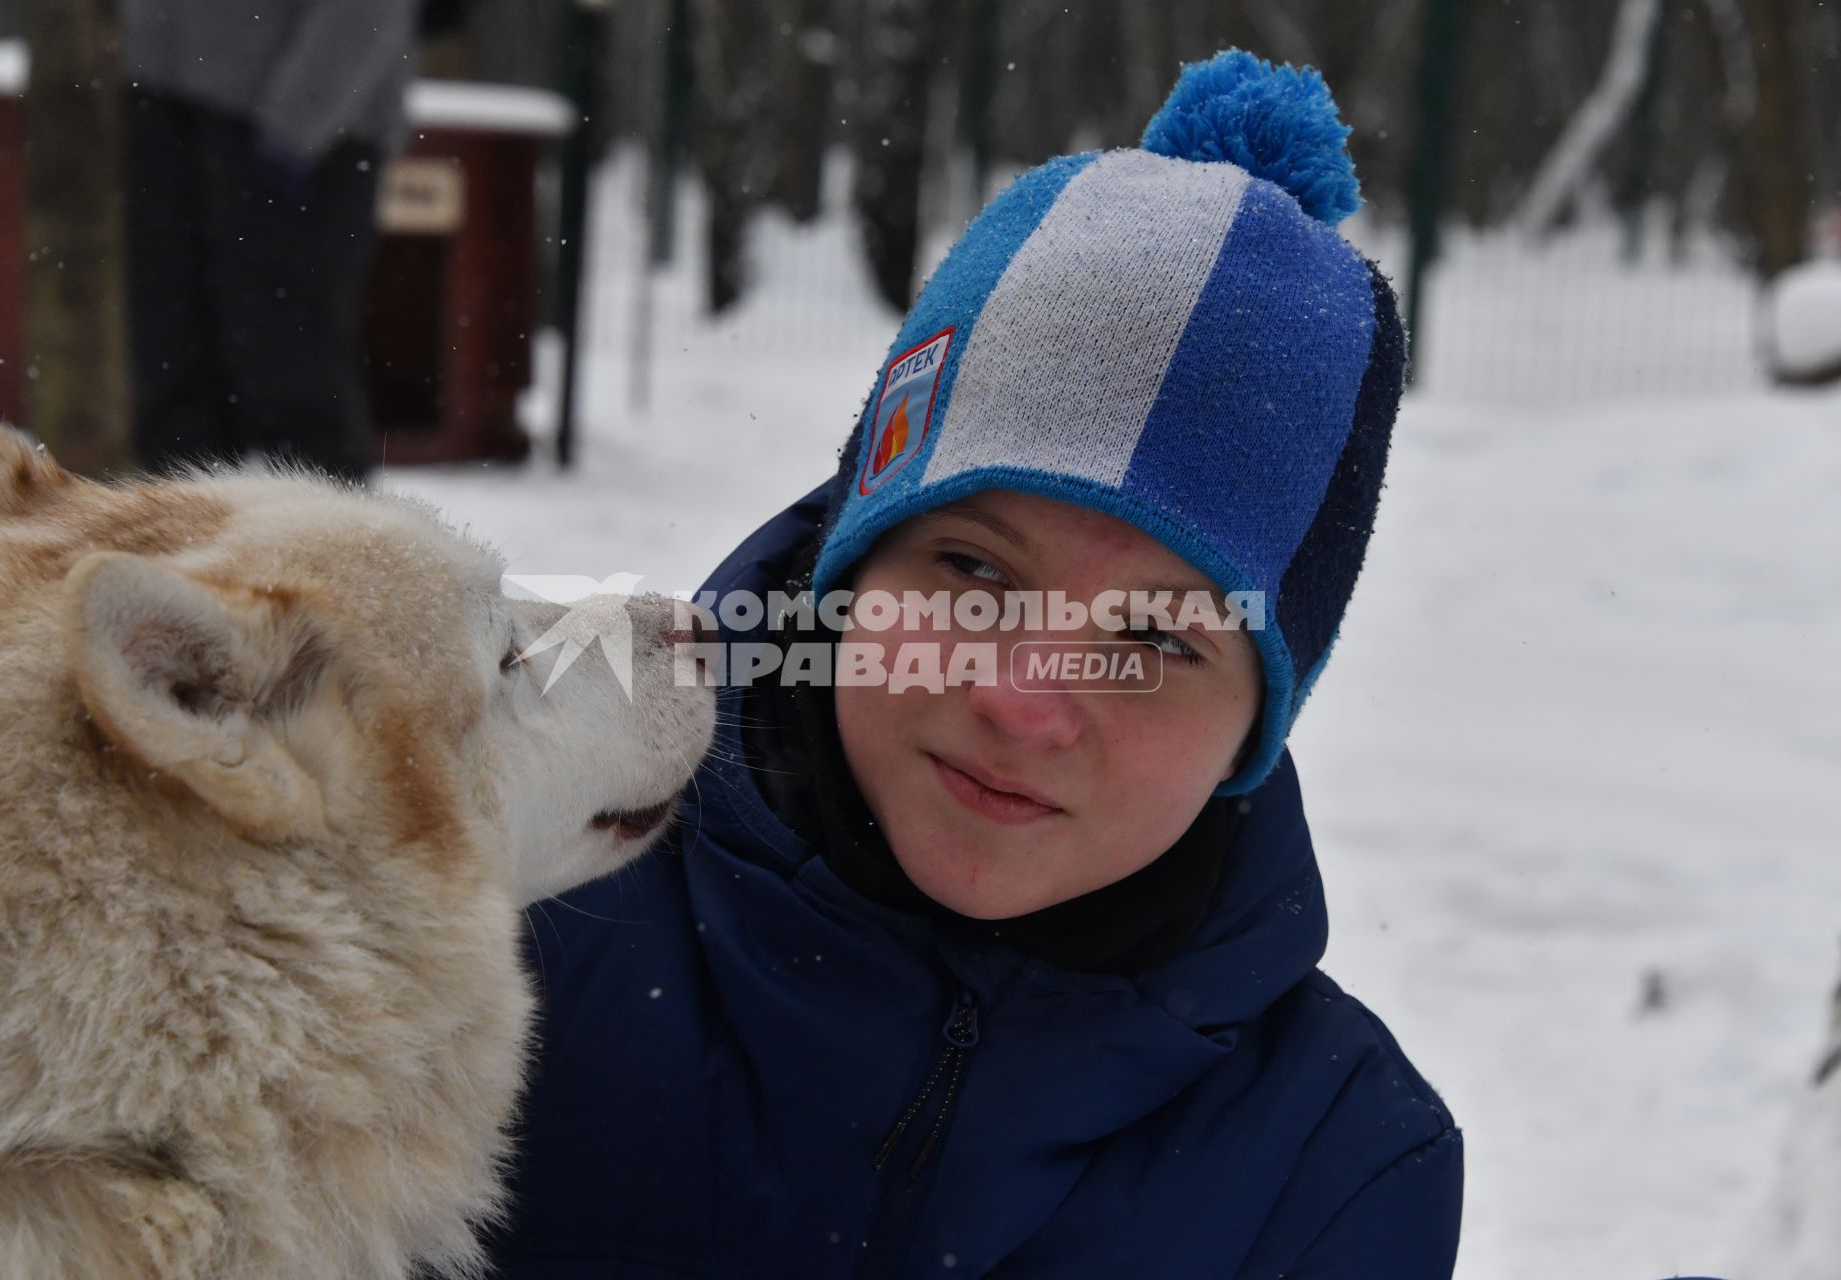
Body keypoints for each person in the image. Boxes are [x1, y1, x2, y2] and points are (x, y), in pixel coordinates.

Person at [492, 51, 1464, 1278]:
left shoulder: (1334, 1171)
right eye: (973, 570)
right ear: (847, 574)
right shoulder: (506, 909)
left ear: (1261, 718)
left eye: (1160, 636)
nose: (1020, 699)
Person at [117, 0, 425, 482]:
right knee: (176, 386)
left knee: (295, 388)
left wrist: (298, 120)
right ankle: (183, 546)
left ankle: (331, 551)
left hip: (296, 130)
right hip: (165, 106)